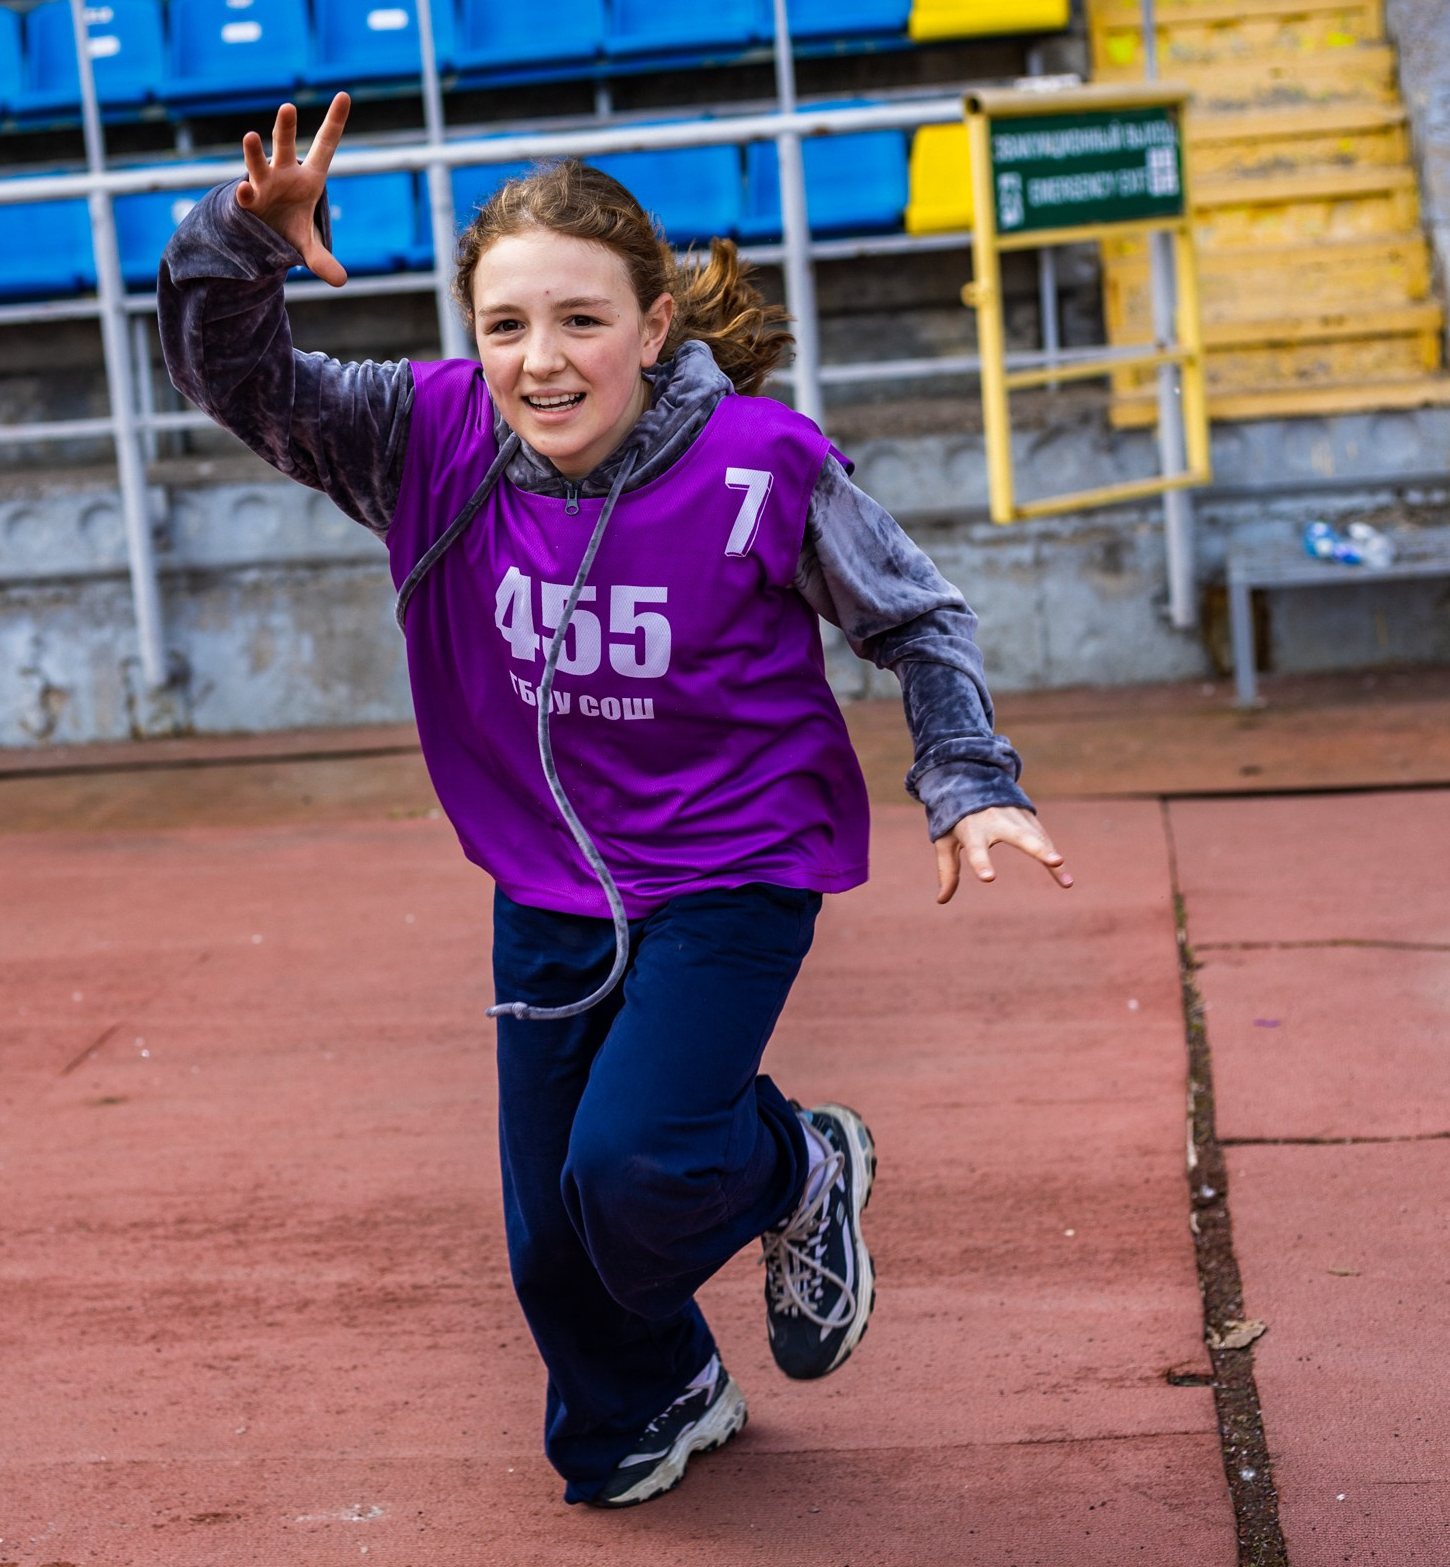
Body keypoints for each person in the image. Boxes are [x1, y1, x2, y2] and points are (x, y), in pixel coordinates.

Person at [159, 94, 1072, 1509]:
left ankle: (794, 1166)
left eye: (581, 321)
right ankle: (661, 1395)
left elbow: (915, 620)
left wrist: (967, 780)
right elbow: (241, 385)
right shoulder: (424, 439)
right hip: (547, 879)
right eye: (507, 324)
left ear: (655, 326)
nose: (543, 360)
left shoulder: (762, 465)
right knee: (555, 1242)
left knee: (639, 1169)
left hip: (733, 863)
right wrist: (239, 242)